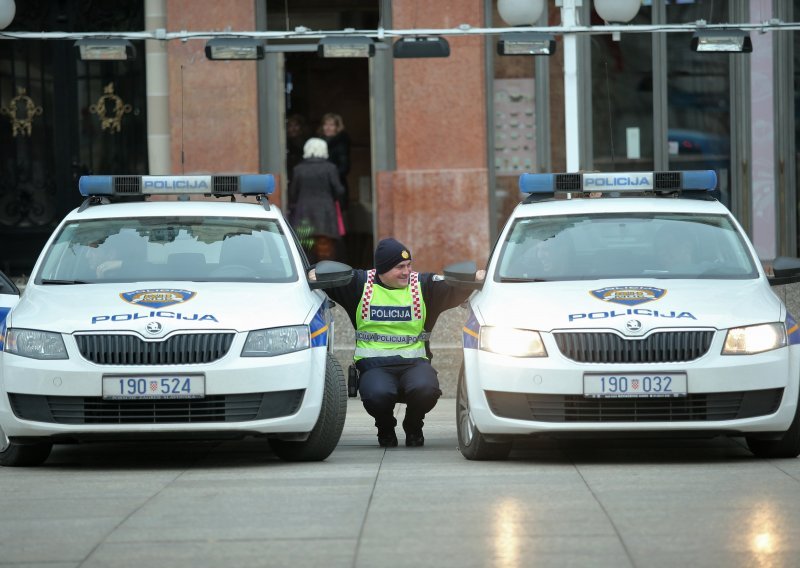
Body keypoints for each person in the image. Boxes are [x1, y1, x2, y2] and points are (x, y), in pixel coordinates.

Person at [311, 238, 485, 448]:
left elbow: (453, 285)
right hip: (374, 367)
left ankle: (413, 425)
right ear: (381, 270)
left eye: (409, 265)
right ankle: (385, 428)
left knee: (426, 389)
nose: (406, 272)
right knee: (377, 394)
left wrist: (475, 277)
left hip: (415, 364)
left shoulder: (423, 285)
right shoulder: (359, 285)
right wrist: (313, 272)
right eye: (399, 267)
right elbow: (327, 276)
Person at [288, 138, 345, 262]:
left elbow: (292, 194)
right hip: (326, 216)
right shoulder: (330, 168)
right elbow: (339, 190)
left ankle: (308, 276)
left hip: (303, 215)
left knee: (305, 250)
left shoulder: (298, 169)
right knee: (326, 251)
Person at [318, 112, 351, 206]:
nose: (328, 128)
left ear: (337, 127)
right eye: (325, 124)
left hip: (335, 185)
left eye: (331, 125)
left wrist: (330, 177)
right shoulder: (317, 141)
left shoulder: (341, 143)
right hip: (319, 185)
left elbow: (345, 167)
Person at [285, 114, 310, 183]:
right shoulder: (283, 143)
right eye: (290, 126)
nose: (293, 129)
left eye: (296, 125)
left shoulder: (306, 143)